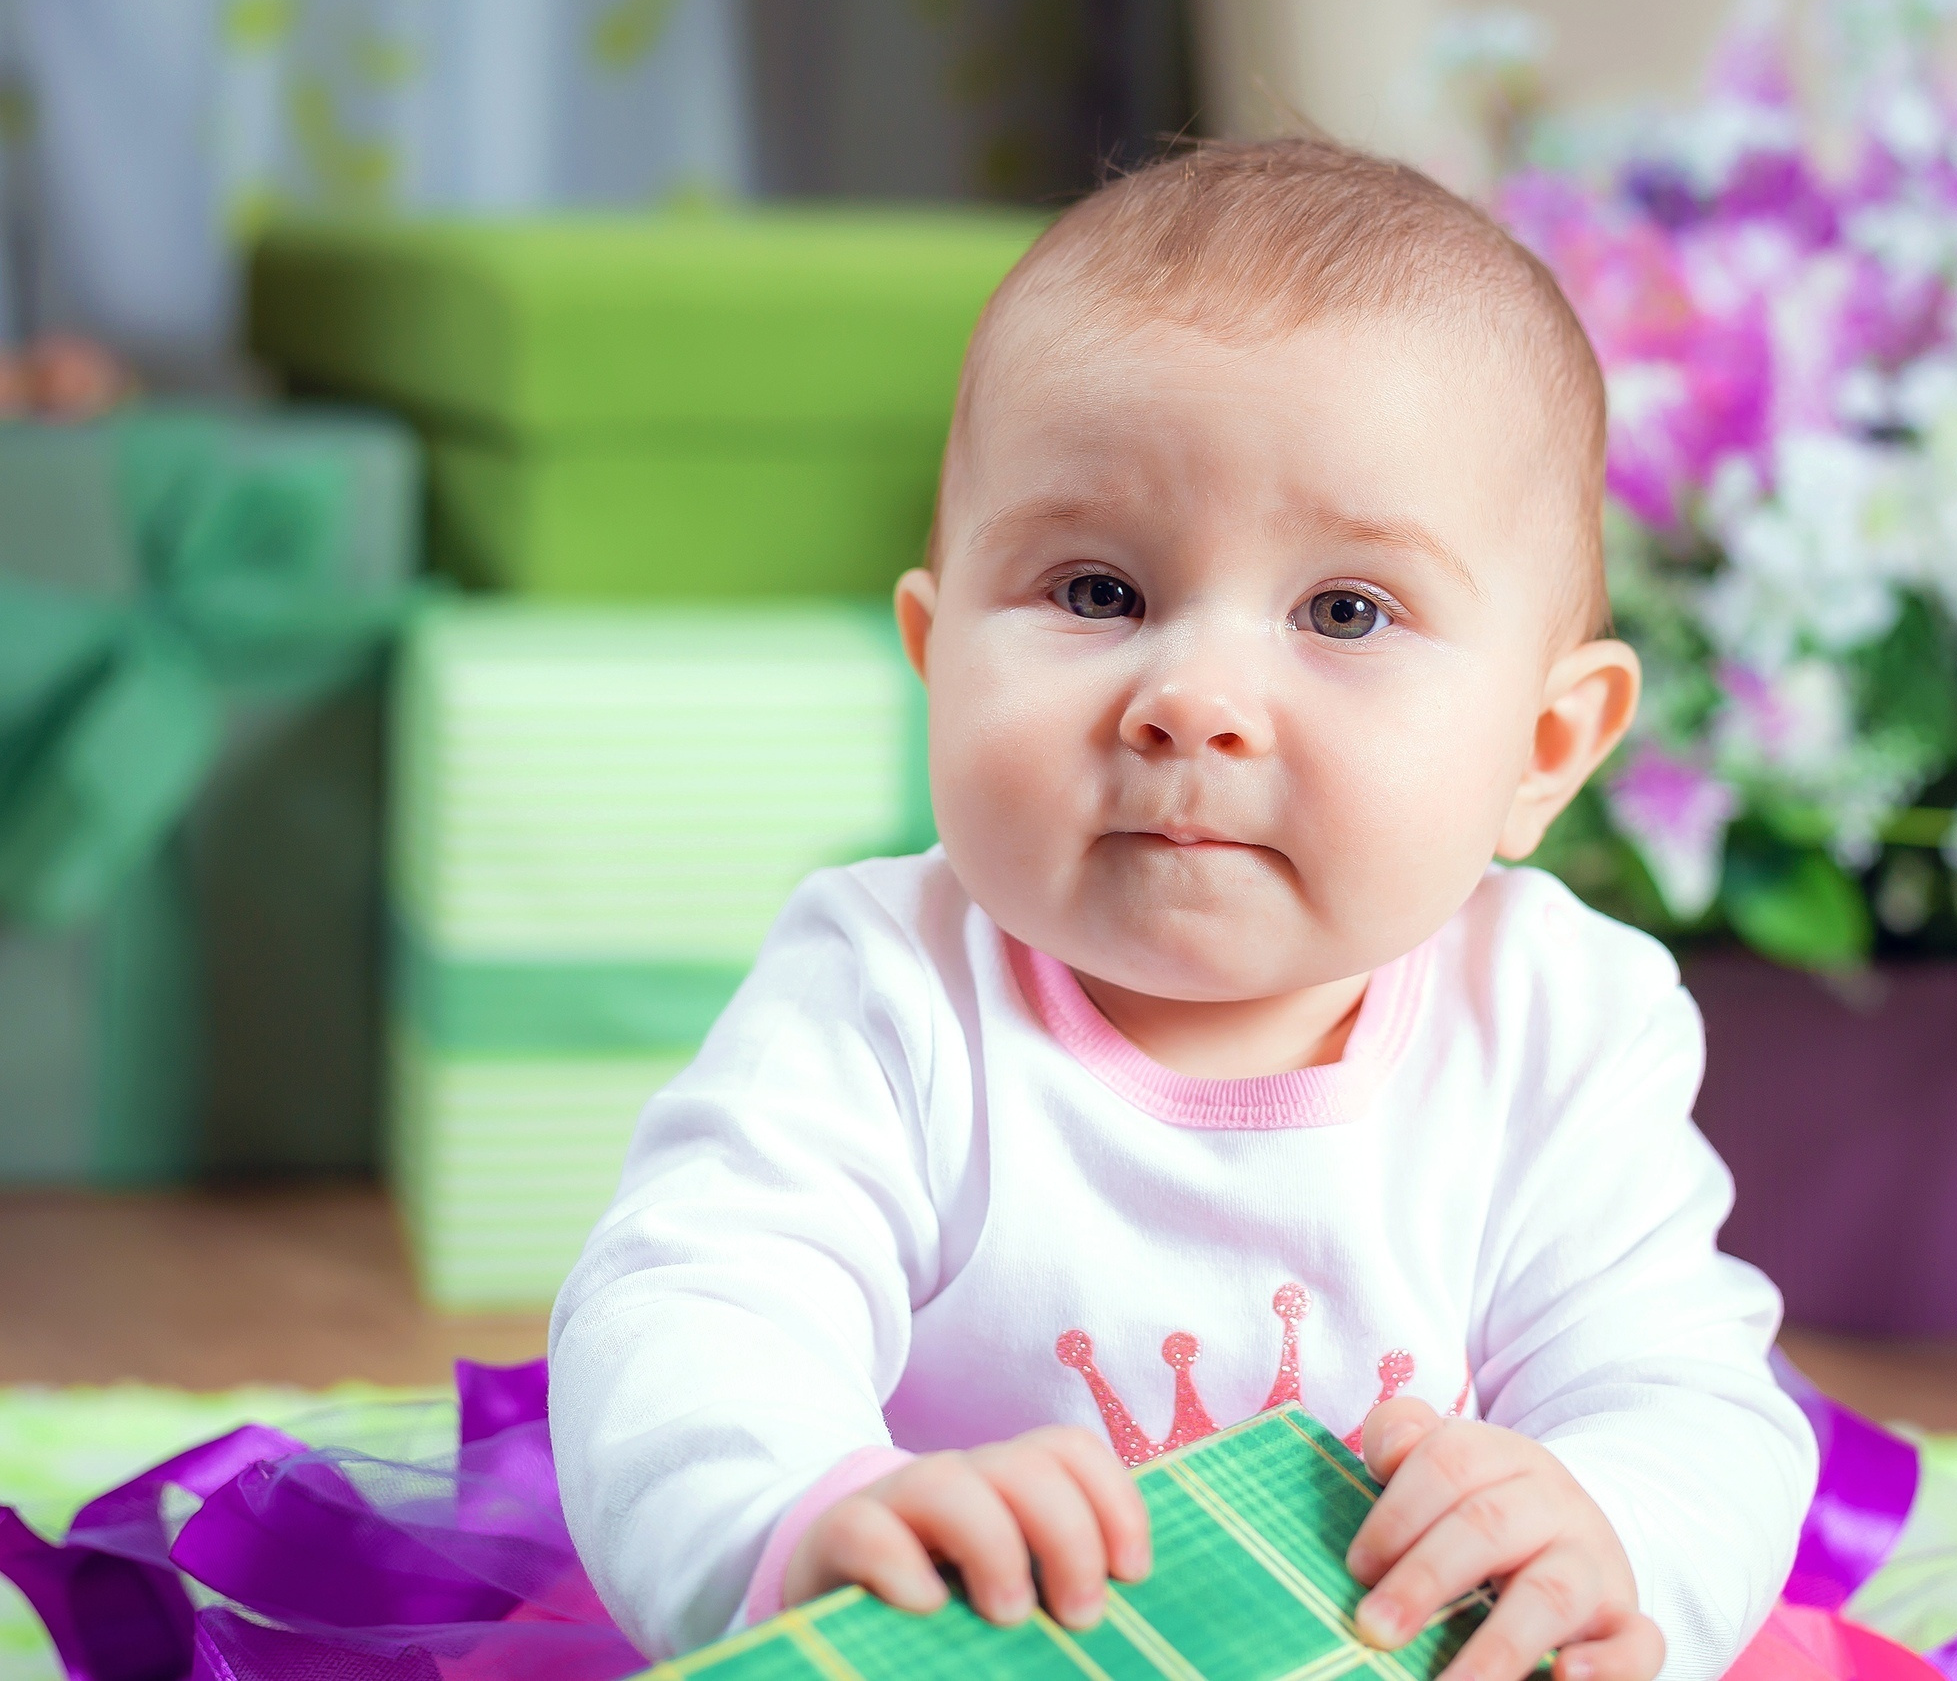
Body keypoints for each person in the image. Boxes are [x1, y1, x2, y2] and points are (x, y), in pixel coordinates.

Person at [548, 136, 1817, 1681]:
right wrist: (805, 1520)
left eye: (1345, 611)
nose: (1194, 701)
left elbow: (1681, 1388)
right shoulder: (890, 985)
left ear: (1542, 750)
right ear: (938, 657)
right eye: (1097, 592)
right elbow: (695, 1299)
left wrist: (1610, 1540)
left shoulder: (1559, 1022)